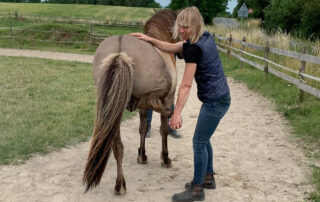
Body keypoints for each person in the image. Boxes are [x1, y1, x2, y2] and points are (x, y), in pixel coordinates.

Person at [131, 6, 230, 202]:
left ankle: (197, 189)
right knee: (205, 138)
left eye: (186, 27)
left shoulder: (194, 49)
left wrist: (175, 113)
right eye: (180, 26)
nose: (182, 31)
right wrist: (150, 40)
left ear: (196, 25)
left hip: (215, 102)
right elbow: (175, 47)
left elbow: (185, 85)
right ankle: (208, 178)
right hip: (219, 98)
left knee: (199, 142)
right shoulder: (204, 37)